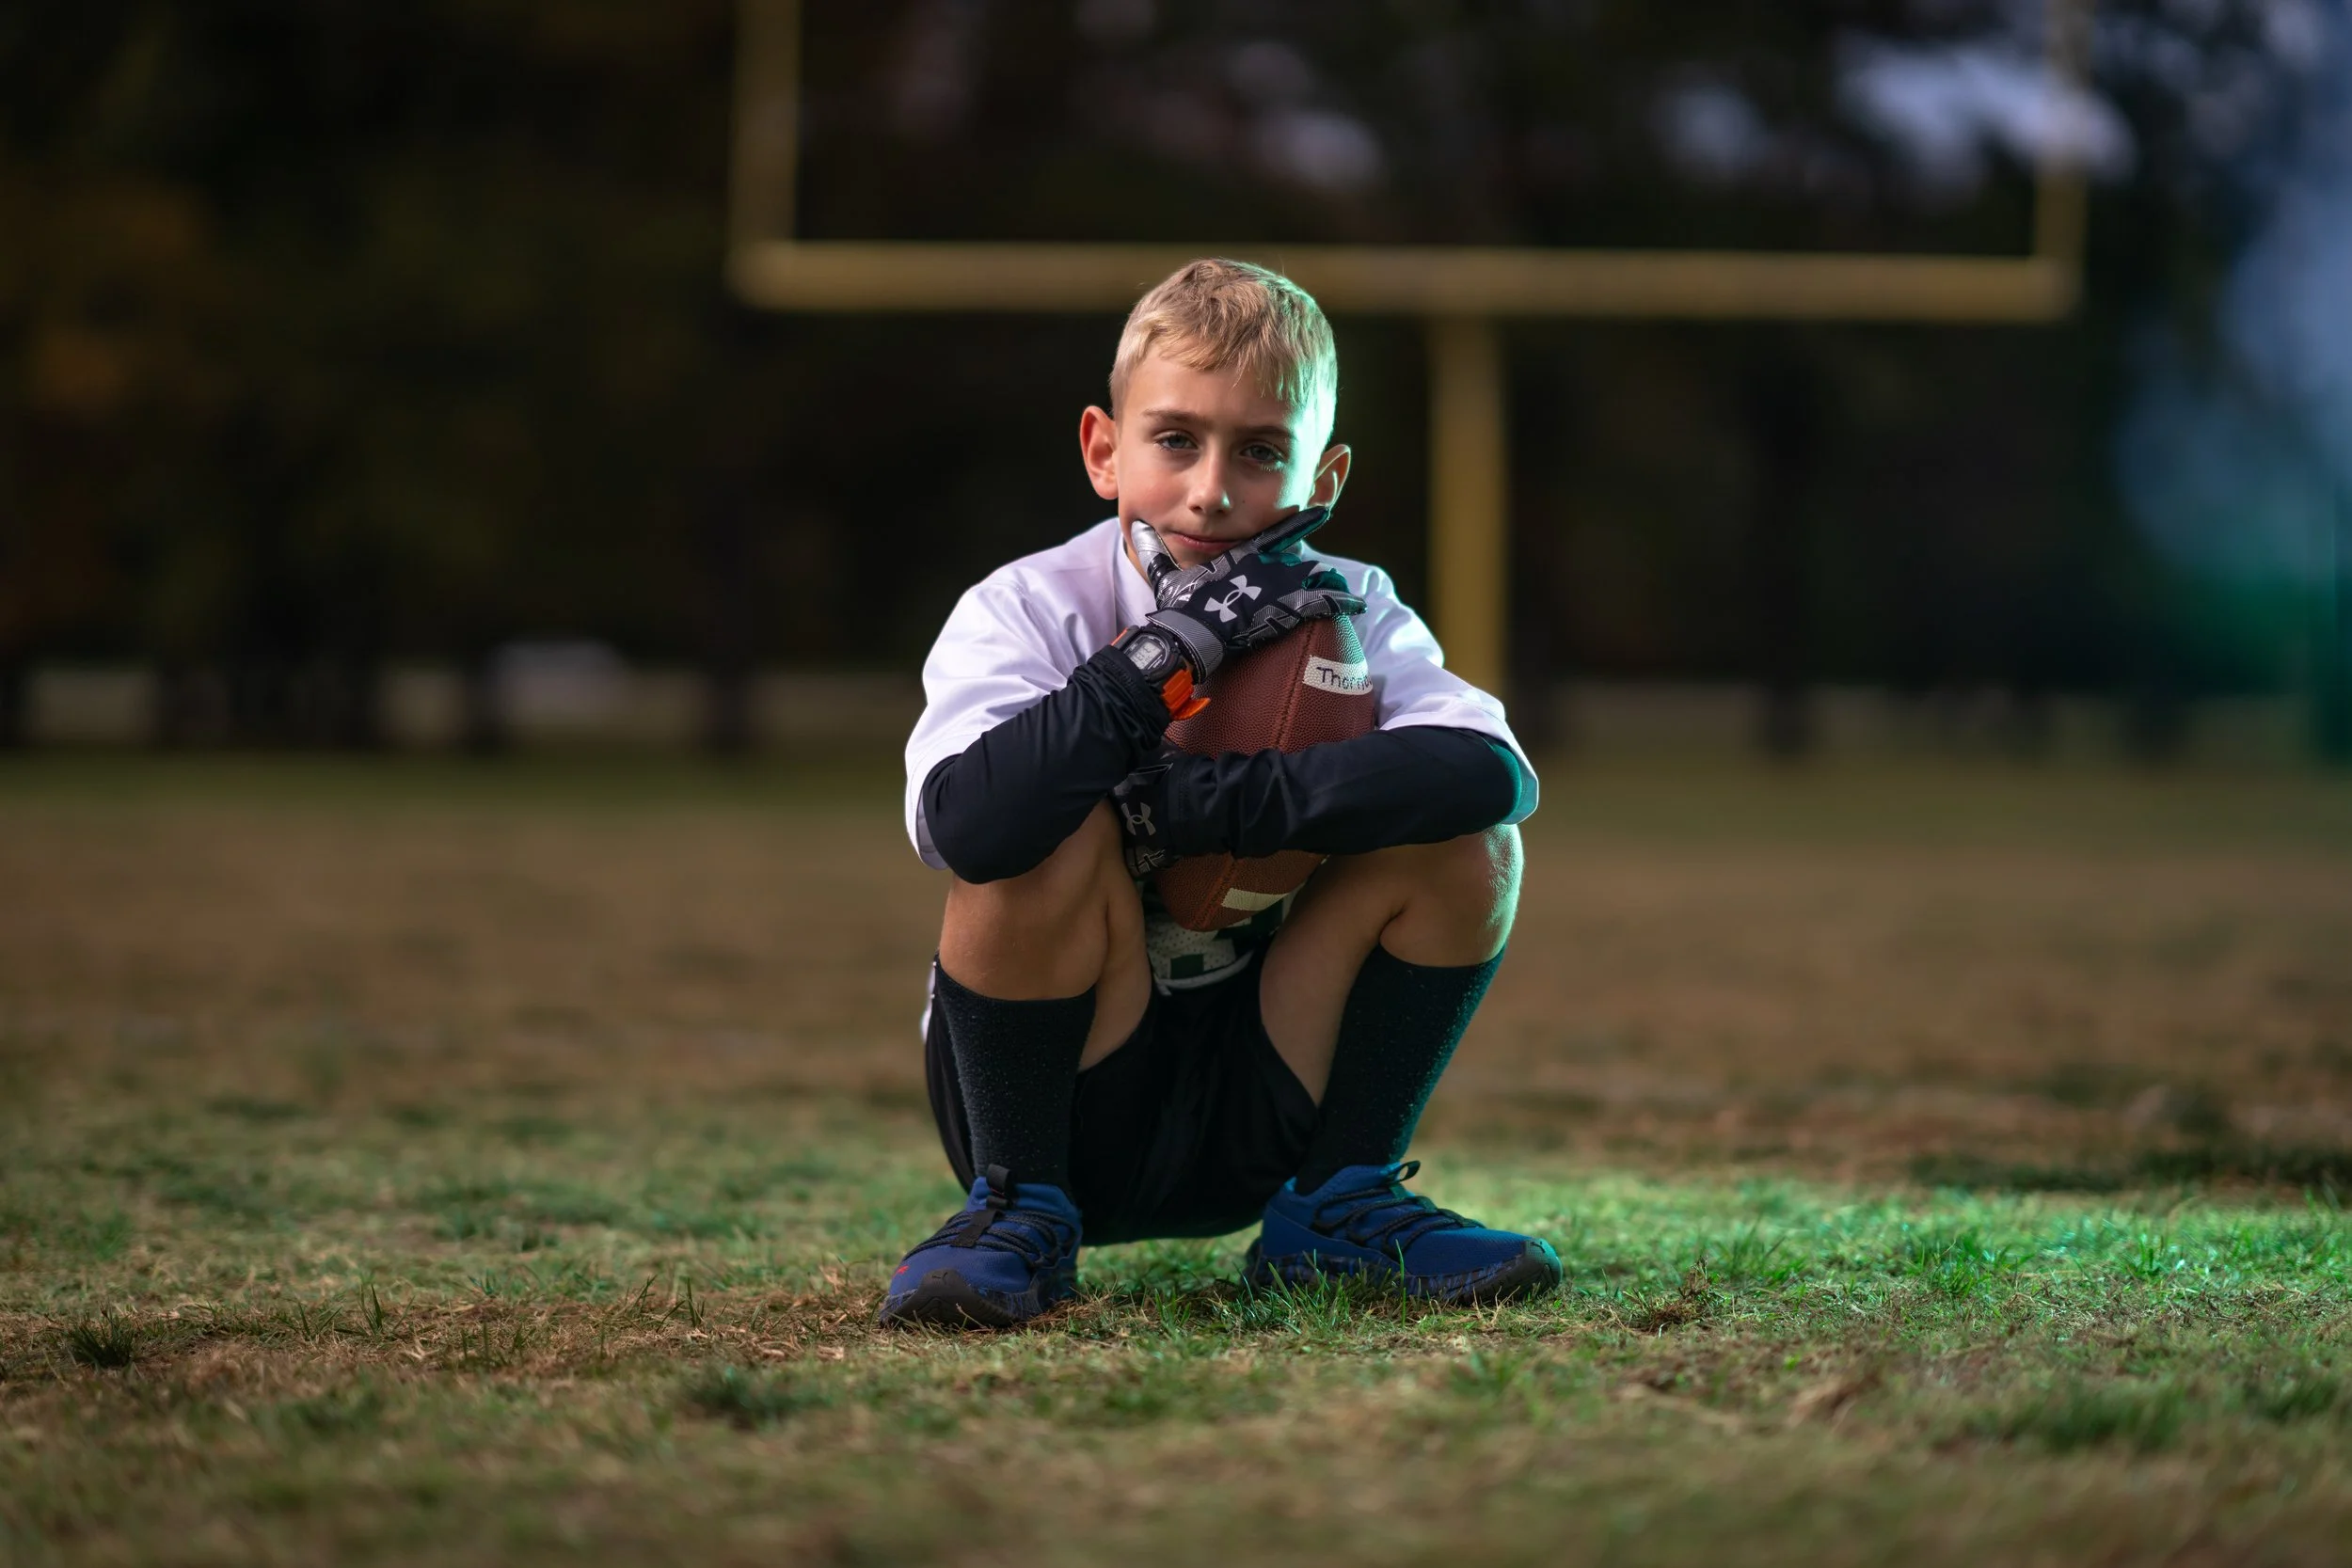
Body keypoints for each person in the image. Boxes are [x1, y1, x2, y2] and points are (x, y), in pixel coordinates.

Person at [882, 258, 1560, 1328]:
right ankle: (1012, 1208)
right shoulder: (1026, 604)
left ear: (1322, 480)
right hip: (1064, 1092)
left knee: (1466, 843)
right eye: (1175, 440)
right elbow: (970, 821)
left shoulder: (1351, 604)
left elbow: (1492, 775)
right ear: (1105, 450)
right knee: (1036, 821)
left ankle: (1340, 1202)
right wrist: (1163, 657)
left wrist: (1188, 807)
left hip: (1265, 1077)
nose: (1210, 489)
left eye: (1259, 451)